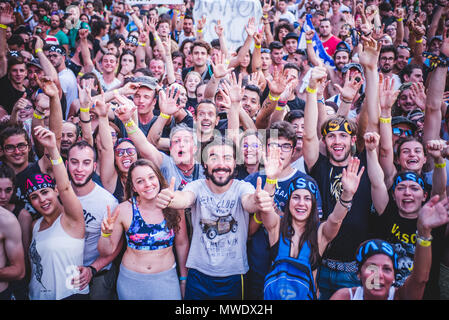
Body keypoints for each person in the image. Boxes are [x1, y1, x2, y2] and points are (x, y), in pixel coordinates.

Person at [156, 137, 259, 300]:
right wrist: (171, 199)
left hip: (233, 276)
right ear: (204, 163)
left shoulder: (243, 187)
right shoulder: (196, 186)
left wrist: (258, 200)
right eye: (213, 157)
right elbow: (184, 198)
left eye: (227, 158)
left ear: (234, 163)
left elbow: (249, 203)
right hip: (197, 274)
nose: (221, 164)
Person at [255, 153, 364, 300]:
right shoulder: (276, 226)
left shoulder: (320, 234)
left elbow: (335, 219)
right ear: (288, 203)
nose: (301, 203)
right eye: (296, 197)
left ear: (313, 205)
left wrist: (347, 194)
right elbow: (266, 206)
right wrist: (271, 179)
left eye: (307, 199)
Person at [98, 158, 189, 300]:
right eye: (140, 181)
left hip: (166, 281)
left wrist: (184, 279)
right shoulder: (124, 210)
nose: (148, 184)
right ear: (133, 187)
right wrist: (105, 234)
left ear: (158, 178)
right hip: (131, 282)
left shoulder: (174, 206)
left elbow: (182, 243)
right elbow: (106, 252)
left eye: (151, 177)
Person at [331, 192, 449, 300]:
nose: (378, 275)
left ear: (394, 276)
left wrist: (424, 232)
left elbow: (420, 280)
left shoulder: (400, 296)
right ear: (358, 274)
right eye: (372, 268)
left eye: (387, 269)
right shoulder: (344, 297)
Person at [27, 126, 88, 300]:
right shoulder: (35, 225)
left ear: (55, 190)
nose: (42, 200)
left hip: (69, 294)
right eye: (34, 197)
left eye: (45, 192)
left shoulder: (71, 219)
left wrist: (54, 150)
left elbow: (66, 187)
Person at [66, 140, 121, 300]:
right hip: (65, 272)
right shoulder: (58, 195)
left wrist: (92, 269)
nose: (79, 169)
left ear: (94, 166)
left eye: (86, 163)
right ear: (67, 163)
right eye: (74, 162)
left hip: (98, 275)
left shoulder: (108, 203)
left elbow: (116, 246)